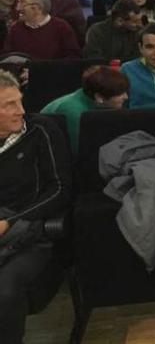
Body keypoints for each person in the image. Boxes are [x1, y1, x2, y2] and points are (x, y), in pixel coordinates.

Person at [0, 70, 71, 344]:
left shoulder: (40, 131)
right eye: (9, 105)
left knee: (4, 292)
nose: (20, 111)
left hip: (30, 233)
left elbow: (60, 190)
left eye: (20, 101)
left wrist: (11, 221)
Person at [41, 65, 128, 152]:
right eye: (119, 94)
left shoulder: (90, 97)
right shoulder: (73, 112)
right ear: (99, 97)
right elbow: (78, 152)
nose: (126, 97)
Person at [3, 0, 80, 59]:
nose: (17, 8)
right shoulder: (15, 28)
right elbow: (7, 57)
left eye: (22, 3)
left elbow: (73, 57)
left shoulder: (61, 27)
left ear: (38, 8)